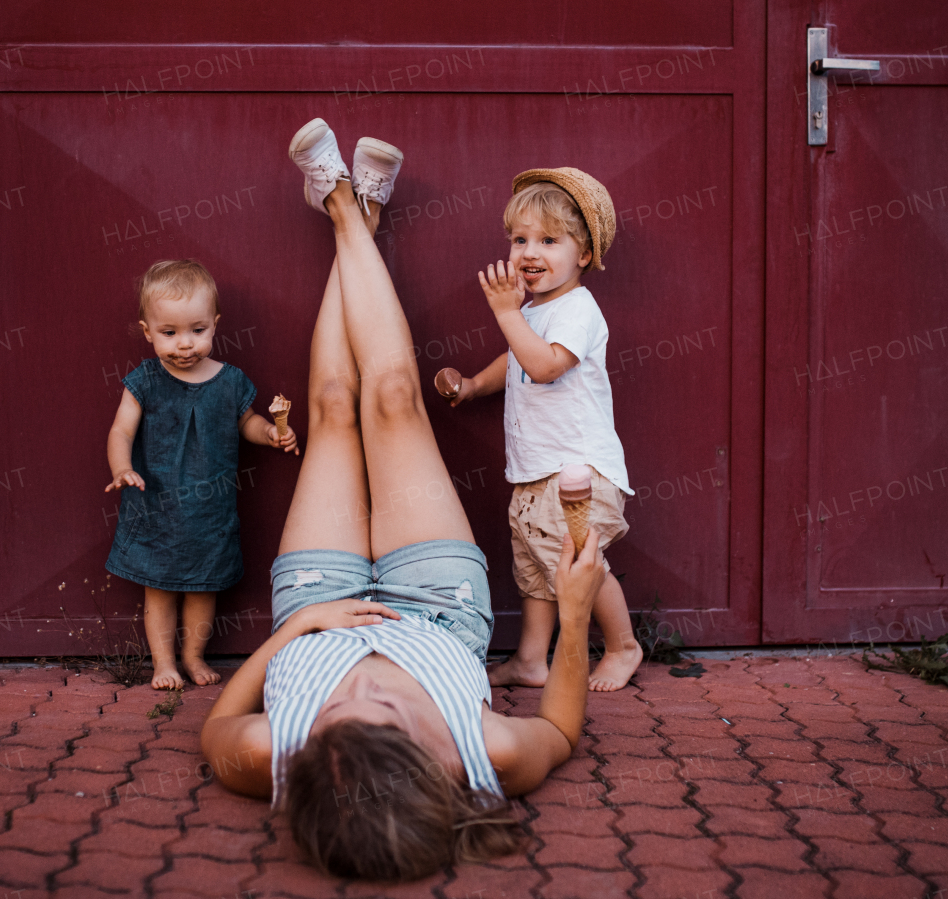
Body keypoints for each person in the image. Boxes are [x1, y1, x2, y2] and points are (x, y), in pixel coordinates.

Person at [199, 118, 608, 881]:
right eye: (386, 715)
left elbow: (216, 727)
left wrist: (305, 629)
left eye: (337, 722)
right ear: (431, 762)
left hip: (317, 604)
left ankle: (346, 209)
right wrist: (576, 612)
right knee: (390, 396)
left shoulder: (266, 757)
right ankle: (352, 210)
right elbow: (558, 726)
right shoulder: (486, 756)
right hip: (436, 601)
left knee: (329, 407)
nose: (363, 692)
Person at [446, 169, 642, 692]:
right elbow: (513, 361)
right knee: (536, 570)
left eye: (549, 240)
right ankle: (533, 659)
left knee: (582, 562)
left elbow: (545, 366)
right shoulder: (533, 311)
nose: (529, 252)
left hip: (577, 471)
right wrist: (470, 386)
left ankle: (624, 646)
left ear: (584, 254)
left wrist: (506, 313)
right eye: (520, 239)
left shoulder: (578, 309)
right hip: (535, 471)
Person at [105, 259, 300, 690]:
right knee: (158, 589)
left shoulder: (229, 382)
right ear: (147, 331)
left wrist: (270, 433)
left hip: (209, 512)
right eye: (169, 333)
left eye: (197, 330)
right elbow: (121, 430)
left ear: (215, 324)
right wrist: (122, 468)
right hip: (156, 504)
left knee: (202, 591)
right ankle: (163, 664)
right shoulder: (145, 381)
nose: (185, 344)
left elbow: (244, 422)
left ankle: (193, 657)